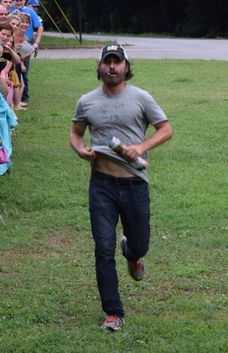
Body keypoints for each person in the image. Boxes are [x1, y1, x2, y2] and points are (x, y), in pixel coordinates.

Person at [70, 44, 173, 331]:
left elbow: (166, 129)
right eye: (107, 62)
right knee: (103, 248)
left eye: (117, 62)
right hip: (101, 184)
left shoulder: (141, 97)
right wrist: (80, 150)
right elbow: (76, 133)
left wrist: (141, 146)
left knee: (140, 243)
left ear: (126, 67)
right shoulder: (87, 101)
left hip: (135, 183)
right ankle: (113, 312)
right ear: (99, 67)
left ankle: (132, 252)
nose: (112, 67)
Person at [9, 0, 43, 106]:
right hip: (13, 42)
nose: (19, 2)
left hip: (25, 43)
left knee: (23, 72)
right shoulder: (10, 10)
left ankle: (23, 97)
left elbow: (39, 27)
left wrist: (36, 43)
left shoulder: (30, 11)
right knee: (13, 72)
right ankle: (15, 100)